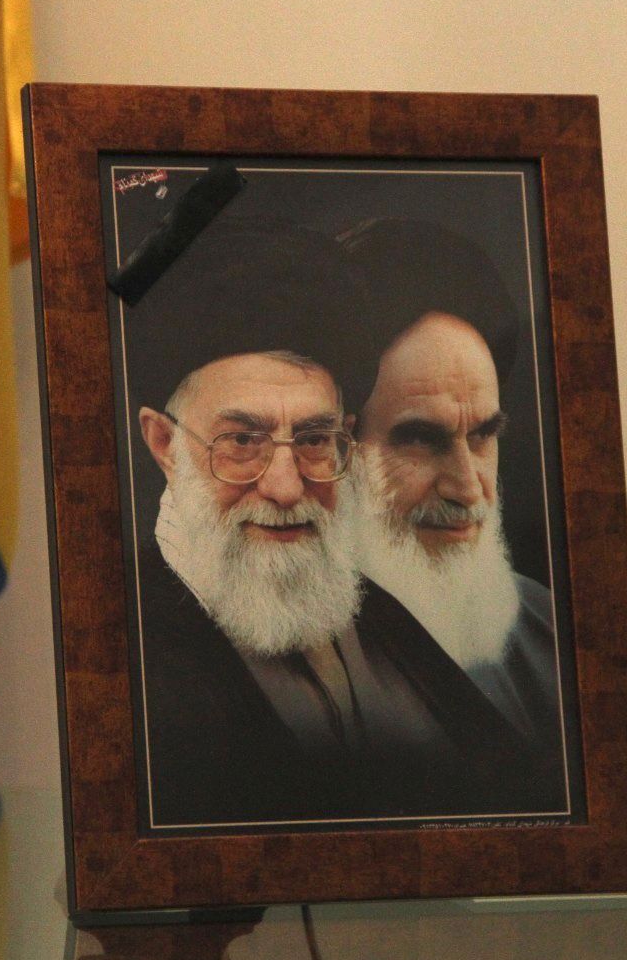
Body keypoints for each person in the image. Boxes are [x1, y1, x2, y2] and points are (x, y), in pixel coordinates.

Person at [123, 217, 553, 828]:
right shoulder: (121, 655)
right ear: (165, 444)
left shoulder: (379, 615)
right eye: (242, 441)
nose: (285, 486)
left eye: (313, 439)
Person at [340, 218, 565, 758]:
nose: (468, 489)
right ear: (335, 447)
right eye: (421, 439)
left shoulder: (552, 635)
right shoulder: (277, 667)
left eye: (483, 435)